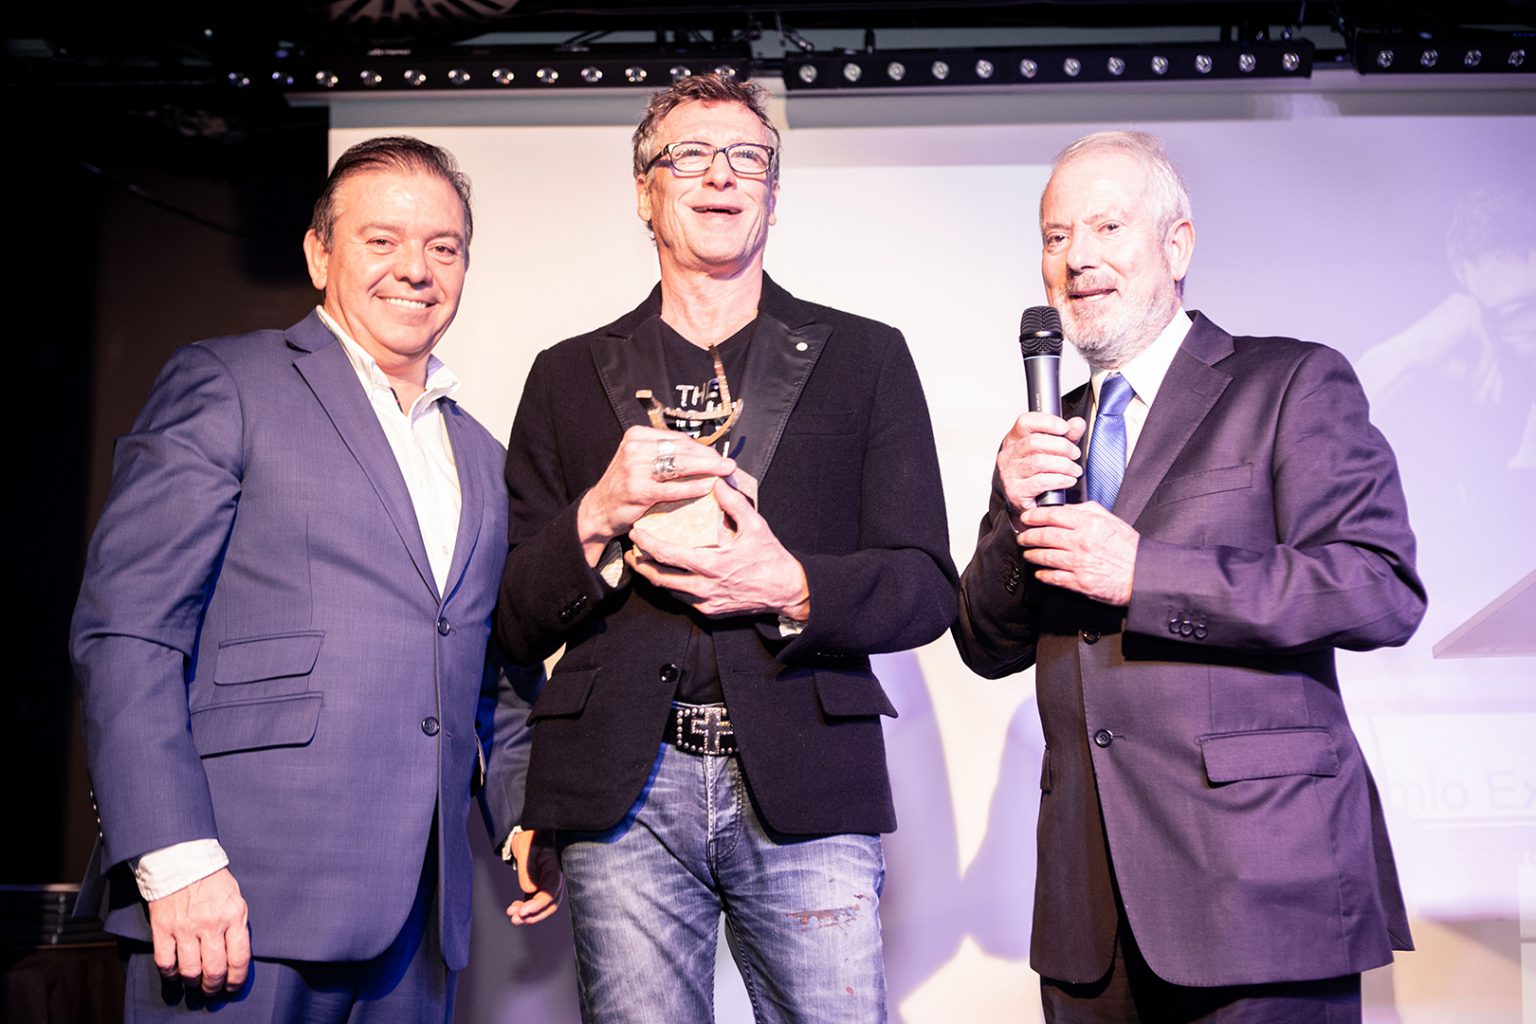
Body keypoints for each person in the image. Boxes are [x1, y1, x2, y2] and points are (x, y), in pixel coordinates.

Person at [494, 73, 956, 1023]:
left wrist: (789, 584)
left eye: (749, 157)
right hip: (620, 793)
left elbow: (925, 586)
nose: (721, 175)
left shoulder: (866, 358)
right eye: (691, 155)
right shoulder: (564, 375)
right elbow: (512, 612)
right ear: (644, 191)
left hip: (808, 778)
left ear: (773, 196)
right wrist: (598, 516)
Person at [71, 135, 558, 1022]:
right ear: (318, 254)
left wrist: (526, 816)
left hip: (418, 927)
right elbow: (127, 632)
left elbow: (494, 677)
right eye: (382, 241)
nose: (417, 269)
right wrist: (174, 859)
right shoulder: (228, 382)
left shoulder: (484, 459)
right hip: (235, 903)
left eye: (443, 247)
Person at [953, 130, 1426, 1021]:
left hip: (1261, 891)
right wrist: (1014, 519)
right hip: (1090, 916)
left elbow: (1376, 586)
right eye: (1056, 236)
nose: (1077, 257)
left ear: (1177, 246)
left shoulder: (1290, 382)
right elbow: (985, 644)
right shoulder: (1048, 430)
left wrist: (1147, 575)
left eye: (1106, 227)